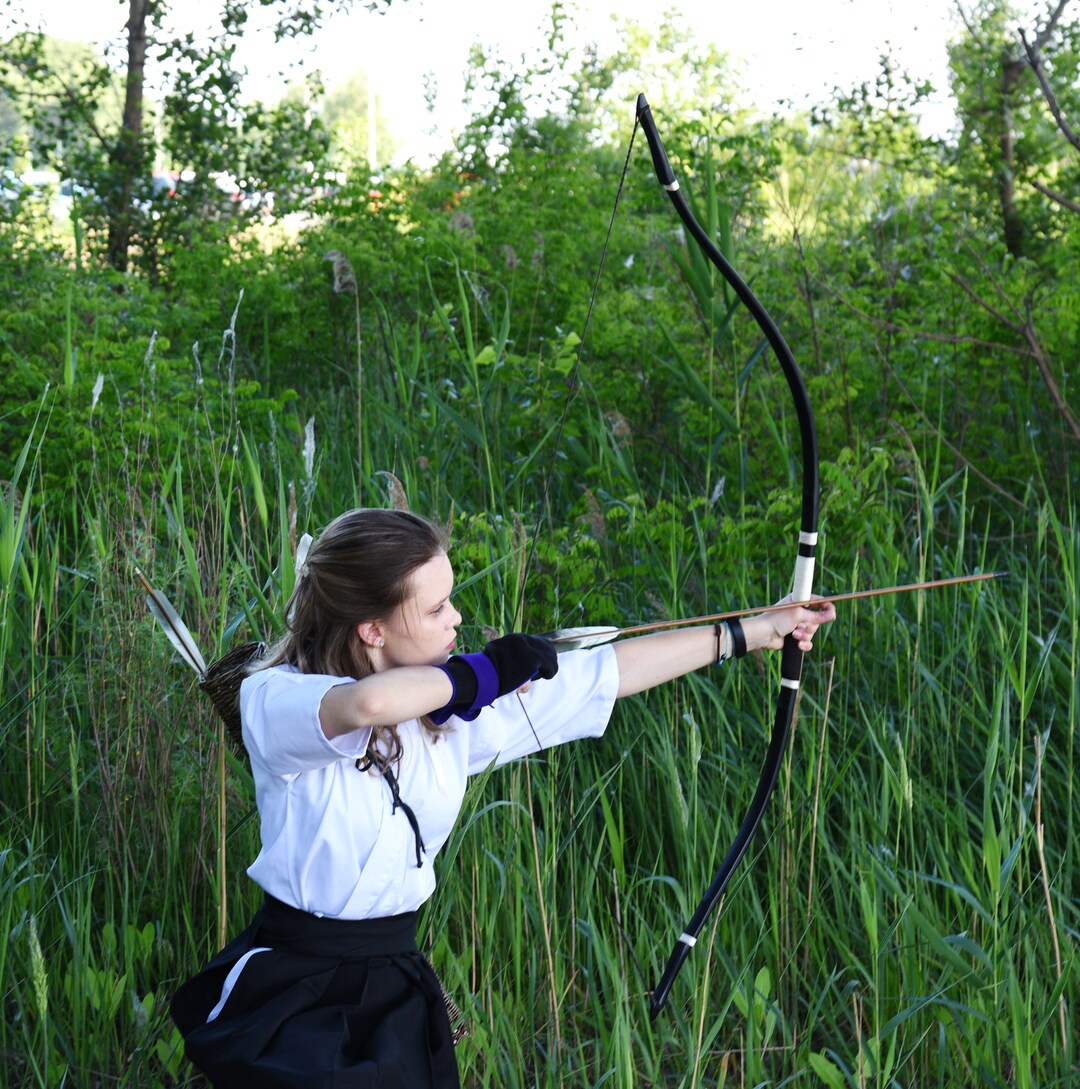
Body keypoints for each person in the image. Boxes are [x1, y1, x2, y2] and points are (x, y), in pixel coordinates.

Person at [171, 507, 835, 1088]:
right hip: (298, 986)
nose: (456, 617)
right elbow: (367, 702)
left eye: (451, 599)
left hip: (391, 980)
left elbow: (603, 675)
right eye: (434, 609)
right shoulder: (277, 697)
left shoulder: (454, 710)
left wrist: (751, 631)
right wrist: (481, 673)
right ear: (372, 629)